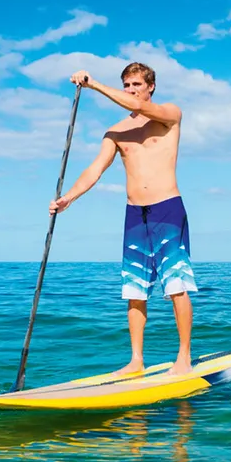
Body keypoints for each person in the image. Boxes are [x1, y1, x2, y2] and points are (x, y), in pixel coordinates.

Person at [48, 62, 198, 376]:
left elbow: (137, 106)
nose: (131, 91)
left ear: (150, 86)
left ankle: (183, 358)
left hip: (167, 208)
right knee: (134, 290)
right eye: (127, 85)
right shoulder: (116, 131)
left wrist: (95, 85)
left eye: (136, 85)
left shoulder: (169, 114)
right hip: (134, 214)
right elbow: (95, 170)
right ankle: (136, 362)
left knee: (176, 285)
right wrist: (68, 199)